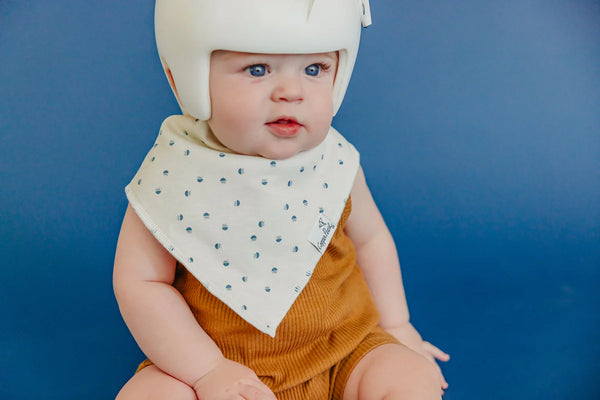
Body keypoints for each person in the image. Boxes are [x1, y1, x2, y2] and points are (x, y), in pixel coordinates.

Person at [114, 1, 449, 399]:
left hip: (342, 350)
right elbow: (141, 283)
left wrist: (397, 325)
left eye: (314, 69)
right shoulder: (172, 174)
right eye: (257, 69)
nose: (291, 92)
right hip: (218, 364)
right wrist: (206, 371)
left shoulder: (334, 163)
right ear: (186, 79)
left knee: (409, 378)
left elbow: (371, 238)